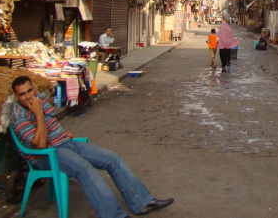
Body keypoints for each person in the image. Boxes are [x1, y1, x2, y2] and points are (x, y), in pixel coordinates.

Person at [10, 76, 174, 218]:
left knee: (112, 159)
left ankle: (142, 201)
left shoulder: (39, 99)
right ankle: (113, 215)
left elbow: (50, 121)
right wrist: (38, 113)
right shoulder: (19, 115)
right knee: (85, 169)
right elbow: (39, 144)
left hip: (65, 143)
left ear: (34, 88)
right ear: (16, 97)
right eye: (22, 94)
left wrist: (61, 131)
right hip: (47, 155)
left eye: (30, 91)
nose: (28, 96)